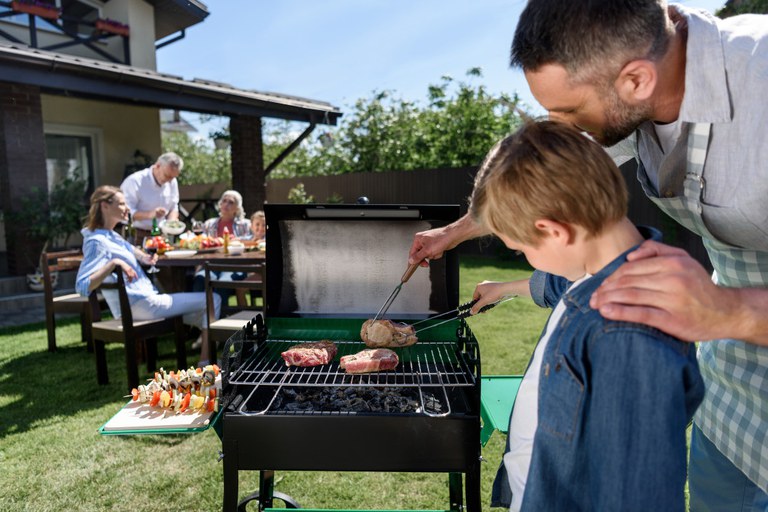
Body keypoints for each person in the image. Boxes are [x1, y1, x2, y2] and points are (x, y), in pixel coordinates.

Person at [409, 2, 768, 508]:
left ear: (638, 80)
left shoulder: (627, 336)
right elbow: (553, 173)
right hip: (731, 401)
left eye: (569, 114)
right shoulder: (630, 92)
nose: (561, 129)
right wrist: (462, 229)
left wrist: (731, 310)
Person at [470, 120, 704, 511]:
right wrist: (504, 288)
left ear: (554, 232)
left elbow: (637, 496)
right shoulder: (595, 274)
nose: (525, 259)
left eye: (520, 248)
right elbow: (557, 287)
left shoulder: (627, 332)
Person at [76, 185, 221, 366]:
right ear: (105, 206)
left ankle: (208, 358)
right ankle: (206, 362)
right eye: (122, 204)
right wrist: (113, 264)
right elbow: (82, 286)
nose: (127, 209)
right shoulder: (97, 242)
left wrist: (146, 257)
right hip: (141, 305)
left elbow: (137, 253)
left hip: (141, 304)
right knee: (212, 299)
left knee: (207, 314)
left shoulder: (112, 236)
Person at [120, 152, 183, 241]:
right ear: (157, 166)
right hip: (137, 234)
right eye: (167, 176)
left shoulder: (172, 181)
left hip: (162, 235)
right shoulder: (134, 181)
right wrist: (150, 214)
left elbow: (174, 205)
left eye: (173, 177)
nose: (169, 181)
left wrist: (172, 221)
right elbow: (125, 213)